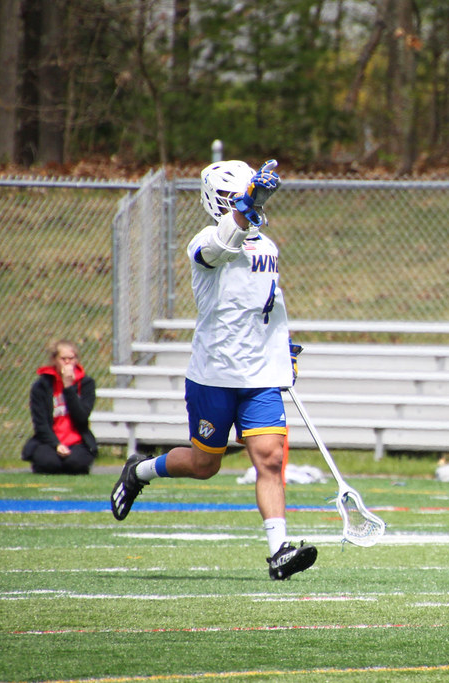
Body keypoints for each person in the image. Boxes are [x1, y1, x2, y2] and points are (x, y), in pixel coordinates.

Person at [110, 159, 317, 581]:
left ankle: (279, 551)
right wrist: (245, 208)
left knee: (271, 459)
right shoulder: (204, 240)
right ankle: (140, 470)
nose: (245, 201)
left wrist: (283, 350)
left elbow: (269, 304)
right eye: (236, 196)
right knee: (205, 465)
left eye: (248, 193)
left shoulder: (268, 246)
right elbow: (222, 247)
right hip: (215, 375)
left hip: (259, 376)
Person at [21, 339, 98, 474]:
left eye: (71, 358)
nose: (67, 362)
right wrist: (56, 444)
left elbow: (82, 417)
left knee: (75, 464)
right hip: (50, 441)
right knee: (49, 463)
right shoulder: (41, 386)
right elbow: (40, 423)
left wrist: (68, 387)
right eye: (63, 359)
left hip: (77, 441)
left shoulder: (86, 383)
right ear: (54, 360)